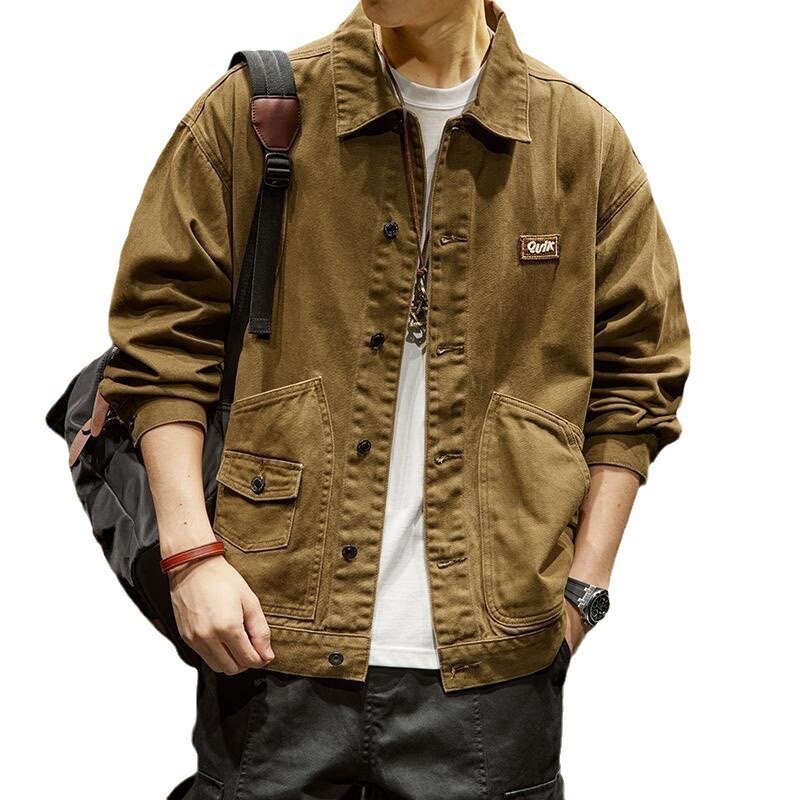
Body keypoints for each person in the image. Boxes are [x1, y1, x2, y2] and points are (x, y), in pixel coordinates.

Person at [98, 1, 690, 797]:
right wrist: (190, 558)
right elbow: (162, 343)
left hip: (496, 670)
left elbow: (638, 377)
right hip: (274, 644)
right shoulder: (258, 112)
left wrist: (583, 591)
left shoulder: (578, 141)